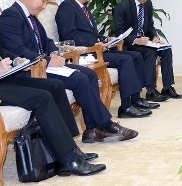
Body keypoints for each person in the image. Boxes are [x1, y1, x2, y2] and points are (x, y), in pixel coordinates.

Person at [0, 0, 137, 144]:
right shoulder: (10, 16)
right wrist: (48, 59)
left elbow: (47, 42)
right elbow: (17, 50)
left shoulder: (31, 17)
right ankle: (106, 124)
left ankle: (93, 130)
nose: (43, 7)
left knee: (89, 74)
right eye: (43, 1)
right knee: (79, 78)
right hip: (31, 71)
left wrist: (54, 53)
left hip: (45, 64)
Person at [56, 0, 165, 119]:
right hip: (86, 53)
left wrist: (106, 39)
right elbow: (69, 36)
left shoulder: (83, 8)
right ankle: (125, 107)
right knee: (126, 60)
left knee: (136, 56)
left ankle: (136, 100)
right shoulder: (66, 7)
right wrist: (94, 44)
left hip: (97, 49)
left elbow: (91, 33)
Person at [0, 46, 106, 176]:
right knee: (43, 98)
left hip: (6, 79)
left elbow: (2, 51)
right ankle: (68, 160)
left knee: (55, 86)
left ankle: (71, 149)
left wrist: (17, 61)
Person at [114, 0, 182, 99]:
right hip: (131, 44)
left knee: (166, 49)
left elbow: (150, 25)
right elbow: (118, 32)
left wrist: (155, 36)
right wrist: (135, 39)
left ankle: (167, 87)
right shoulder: (122, 6)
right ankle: (151, 91)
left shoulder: (148, 4)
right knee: (150, 52)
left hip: (145, 41)